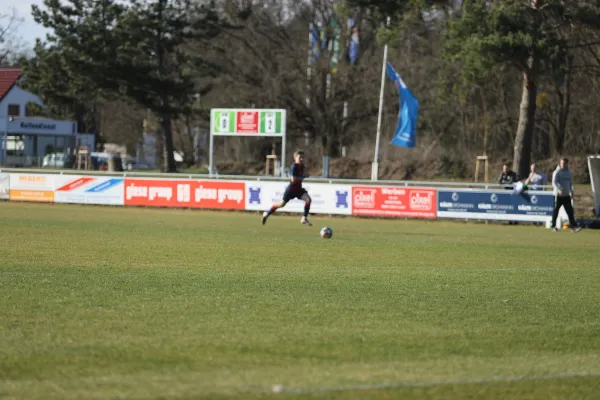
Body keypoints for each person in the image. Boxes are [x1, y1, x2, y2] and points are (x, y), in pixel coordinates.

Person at [262, 149, 312, 226]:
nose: (301, 159)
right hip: (291, 190)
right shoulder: (293, 167)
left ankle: (304, 218)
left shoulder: (302, 166)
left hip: (298, 189)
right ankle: (267, 213)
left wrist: (305, 172)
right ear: (295, 158)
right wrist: (303, 176)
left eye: (302, 157)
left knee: (308, 200)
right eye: (300, 157)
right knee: (281, 204)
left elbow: (307, 174)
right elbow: (293, 180)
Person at [551, 158, 582, 232]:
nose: (562, 164)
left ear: (567, 164)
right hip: (558, 195)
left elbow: (570, 184)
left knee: (570, 211)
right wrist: (559, 190)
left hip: (566, 195)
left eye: (564, 163)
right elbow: (554, 183)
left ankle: (573, 227)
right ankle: (553, 226)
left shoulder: (569, 173)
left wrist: (571, 192)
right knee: (556, 211)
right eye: (561, 163)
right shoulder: (557, 172)